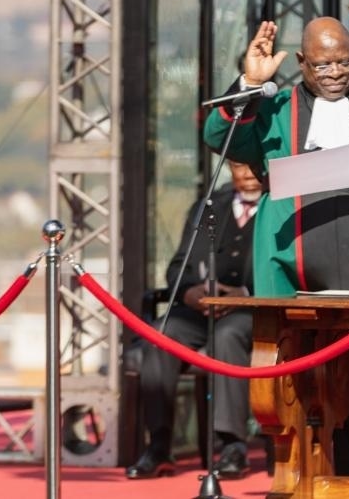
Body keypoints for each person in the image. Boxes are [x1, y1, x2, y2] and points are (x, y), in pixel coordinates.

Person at [203, 17, 349, 476]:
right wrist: (249, 83)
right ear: (301, 62)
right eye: (322, 65)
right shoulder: (275, 108)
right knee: (295, 385)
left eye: (344, 63)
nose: (335, 73)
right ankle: (293, 477)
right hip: (290, 263)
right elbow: (220, 137)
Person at [126, 160, 261, 480]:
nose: (246, 174)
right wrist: (189, 292)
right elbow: (177, 268)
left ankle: (233, 446)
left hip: (253, 309)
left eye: (252, 166)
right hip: (199, 309)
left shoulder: (279, 205)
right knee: (160, 334)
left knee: (226, 336)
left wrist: (243, 293)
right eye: (238, 166)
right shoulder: (208, 207)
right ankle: (159, 446)